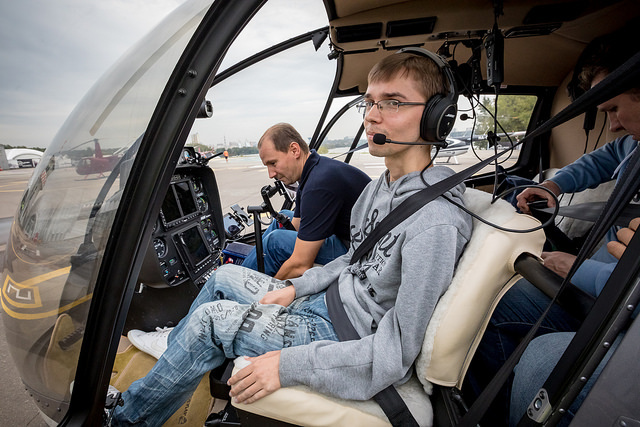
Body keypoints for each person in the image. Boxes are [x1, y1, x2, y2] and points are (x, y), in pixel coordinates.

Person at [111, 49, 472, 426]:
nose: (372, 116)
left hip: (342, 334)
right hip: (323, 301)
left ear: (436, 119)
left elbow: (393, 354)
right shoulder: (381, 187)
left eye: (393, 103)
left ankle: (123, 420)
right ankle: (175, 350)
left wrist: (288, 366)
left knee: (210, 320)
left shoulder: (435, 222)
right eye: (369, 102)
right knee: (222, 277)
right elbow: (352, 259)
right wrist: (297, 288)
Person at [464, 25, 640, 426]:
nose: (611, 124)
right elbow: (603, 158)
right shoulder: (634, 146)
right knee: (494, 301)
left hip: (614, 305)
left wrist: (578, 270)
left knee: (542, 358)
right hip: (598, 285)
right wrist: (552, 185)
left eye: (613, 109)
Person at [509, 217, 639, 427]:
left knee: (543, 361)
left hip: (623, 310)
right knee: (508, 297)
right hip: (604, 295)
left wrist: (580, 270)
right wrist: (558, 186)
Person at [240, 123, 371, 279]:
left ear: (294, 150)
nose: (271, 174)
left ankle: (241, 283)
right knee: (281, 219)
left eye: (273, 163)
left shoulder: (319, 184)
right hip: (347, 237)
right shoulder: (312, 170)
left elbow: (301, 264)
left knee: (274, 243)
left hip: (359, 252)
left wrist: (269, 292)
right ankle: (246, 269)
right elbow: (296, 225)